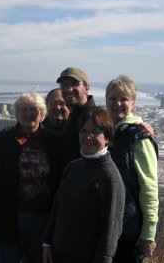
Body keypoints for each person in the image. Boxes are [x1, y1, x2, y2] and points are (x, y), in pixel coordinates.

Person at [0, 91, 61, 263]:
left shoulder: (53, 142)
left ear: (42, 114)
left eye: (33, 109)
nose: (29, 113)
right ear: (17, 114)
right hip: (6, 215)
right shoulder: (3, 139)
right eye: (24, 110)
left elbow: (61, 179)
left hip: (43, 218)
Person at [43, 106, 125, 263]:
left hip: (86, 258)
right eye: (84, 131)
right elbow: (57, 208)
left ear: (107, 137)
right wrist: (47, 242)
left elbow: (111, 228)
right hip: (58, 253)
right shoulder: (73, 167)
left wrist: (103, 260)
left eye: (95, 132)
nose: (88, 137)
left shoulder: (109, 177)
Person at [56, 66, 155, 168]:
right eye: (64, 85)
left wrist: (144, 127)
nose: (69, 89)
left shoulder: (94, 118)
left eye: (74, 84)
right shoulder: (69, 114)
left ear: (86, 88)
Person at [105, 75, 159, 263]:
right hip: (110, 229)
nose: (117, 103)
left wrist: (148, 233)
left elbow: (149, 187)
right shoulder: (109, 133)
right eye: (113, 98)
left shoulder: (139, 137)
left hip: (129, 231)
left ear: (133, 103)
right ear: (106, 100)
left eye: (124, 99)